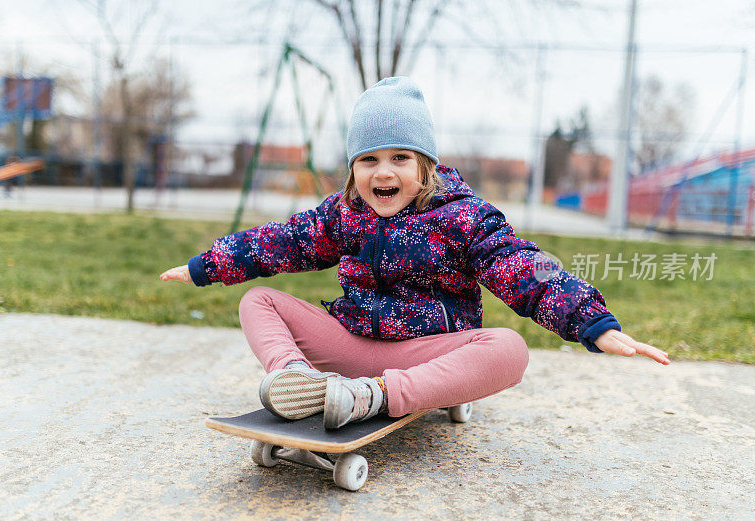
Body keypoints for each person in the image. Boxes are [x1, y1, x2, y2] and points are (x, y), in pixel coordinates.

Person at [161, 77, 669, 430]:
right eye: (369, 160)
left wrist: (594, 324)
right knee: (260, 302)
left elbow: (523, 267)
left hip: (427, 354)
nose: (383, 173)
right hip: (353, 343)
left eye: (399, 158)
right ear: (353, 169)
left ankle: (373, 398)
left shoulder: (463, 217)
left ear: (425, 165)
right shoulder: (343, 214)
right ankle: (297, 380)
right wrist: (207, 266)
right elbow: (281, 242)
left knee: (509, 351)